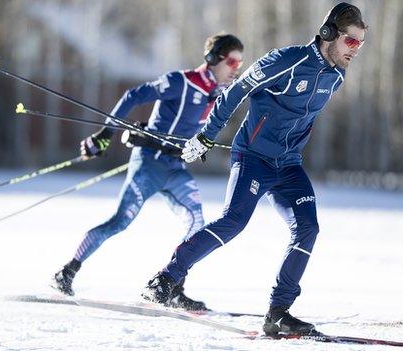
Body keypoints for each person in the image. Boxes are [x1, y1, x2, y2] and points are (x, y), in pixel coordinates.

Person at [142, 3, 367, 335]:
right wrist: (206, 136)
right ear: (329, 34)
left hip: (288, 165)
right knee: (234, 221)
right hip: (253, 158)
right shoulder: (286, 60)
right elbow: (236, 92)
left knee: (308, 229)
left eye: (360, 44)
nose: (355, 50)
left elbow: (301, 119)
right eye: (351, 41)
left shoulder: (336, 76)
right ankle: (166, 279)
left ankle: (278, 312)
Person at [53, 33, 245, 311]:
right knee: (120, 222)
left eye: (240, 64)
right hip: (149, 164)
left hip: (175, 168)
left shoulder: (218, 95)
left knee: (196, 222)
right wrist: (106, 133)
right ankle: (66, 272)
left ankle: (173, 287)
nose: (235, 69)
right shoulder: (181, 81)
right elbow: (134, 95)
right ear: (213, 58)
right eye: (231, 62)